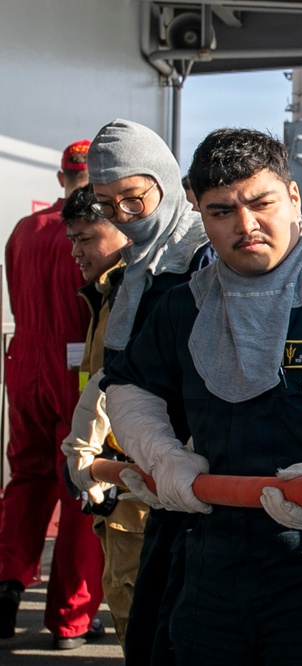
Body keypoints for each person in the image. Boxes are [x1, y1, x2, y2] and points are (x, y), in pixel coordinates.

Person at [103, 127, 302, 665]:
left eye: (260, 202)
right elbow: (132, 387)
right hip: (213, 557)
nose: (244, 225)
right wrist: (162, 455)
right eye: (221, 211)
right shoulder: (185, 306)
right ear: (200, 216)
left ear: (294, 197)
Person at [87, 118, 216, 665]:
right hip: (151, 475)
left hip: (201, 479)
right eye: (105, 205)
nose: (123, 218)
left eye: (133, 200)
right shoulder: (138, 268)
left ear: (164, 180)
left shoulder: (200, 258)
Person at [0, 139, 107, 649]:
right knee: (82, 486)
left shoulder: (23, 230)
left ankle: (7, 581)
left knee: (25, 480)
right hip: (75, 379)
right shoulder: (95, 229)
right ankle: (71, 618)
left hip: (23, 369)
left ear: (60, 175)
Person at [59, 184, 143, 647]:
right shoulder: (109, 293)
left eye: (86, 237)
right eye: (72, 239)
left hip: (131, 492)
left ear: (123, 231)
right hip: (116, 483)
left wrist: (91, 456)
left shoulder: (131, 295)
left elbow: (116, 386)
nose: (76, 250)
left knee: (137, 620)